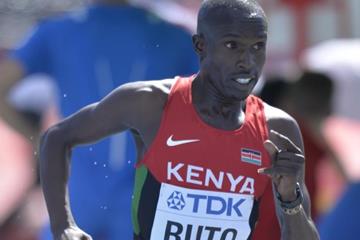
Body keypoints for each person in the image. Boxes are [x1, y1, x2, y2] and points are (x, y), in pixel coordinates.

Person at [39, 0, 319, 239]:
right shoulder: (150, 103)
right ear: (200, 46)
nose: (247, 61)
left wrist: (290, 199)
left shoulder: (277, 128)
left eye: (258, 46)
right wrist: (63, 226)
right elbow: (57, 137)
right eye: (233, 45)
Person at [0, 0, 198, 239]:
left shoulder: (59, 30)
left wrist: (35, 139)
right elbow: (219, 105)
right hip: (144, 197)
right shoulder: (173, 36)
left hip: (74, 200)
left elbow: (3, 84)